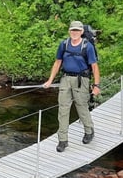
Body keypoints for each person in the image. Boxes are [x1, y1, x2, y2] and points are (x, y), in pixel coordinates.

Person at [42, 20, 100, 152]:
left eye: (77, 30)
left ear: (82, 32)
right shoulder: (64, 44)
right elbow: (57, 63)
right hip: (66, 79)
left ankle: (89, 130)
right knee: (63, 108)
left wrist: (96, 85)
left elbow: (94, 66)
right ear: (69, 31)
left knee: (81, 106)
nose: (75, 33)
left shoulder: (87, 47)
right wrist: (50, 80)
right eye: (73, 30)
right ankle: (62, 140)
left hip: (82, 80)